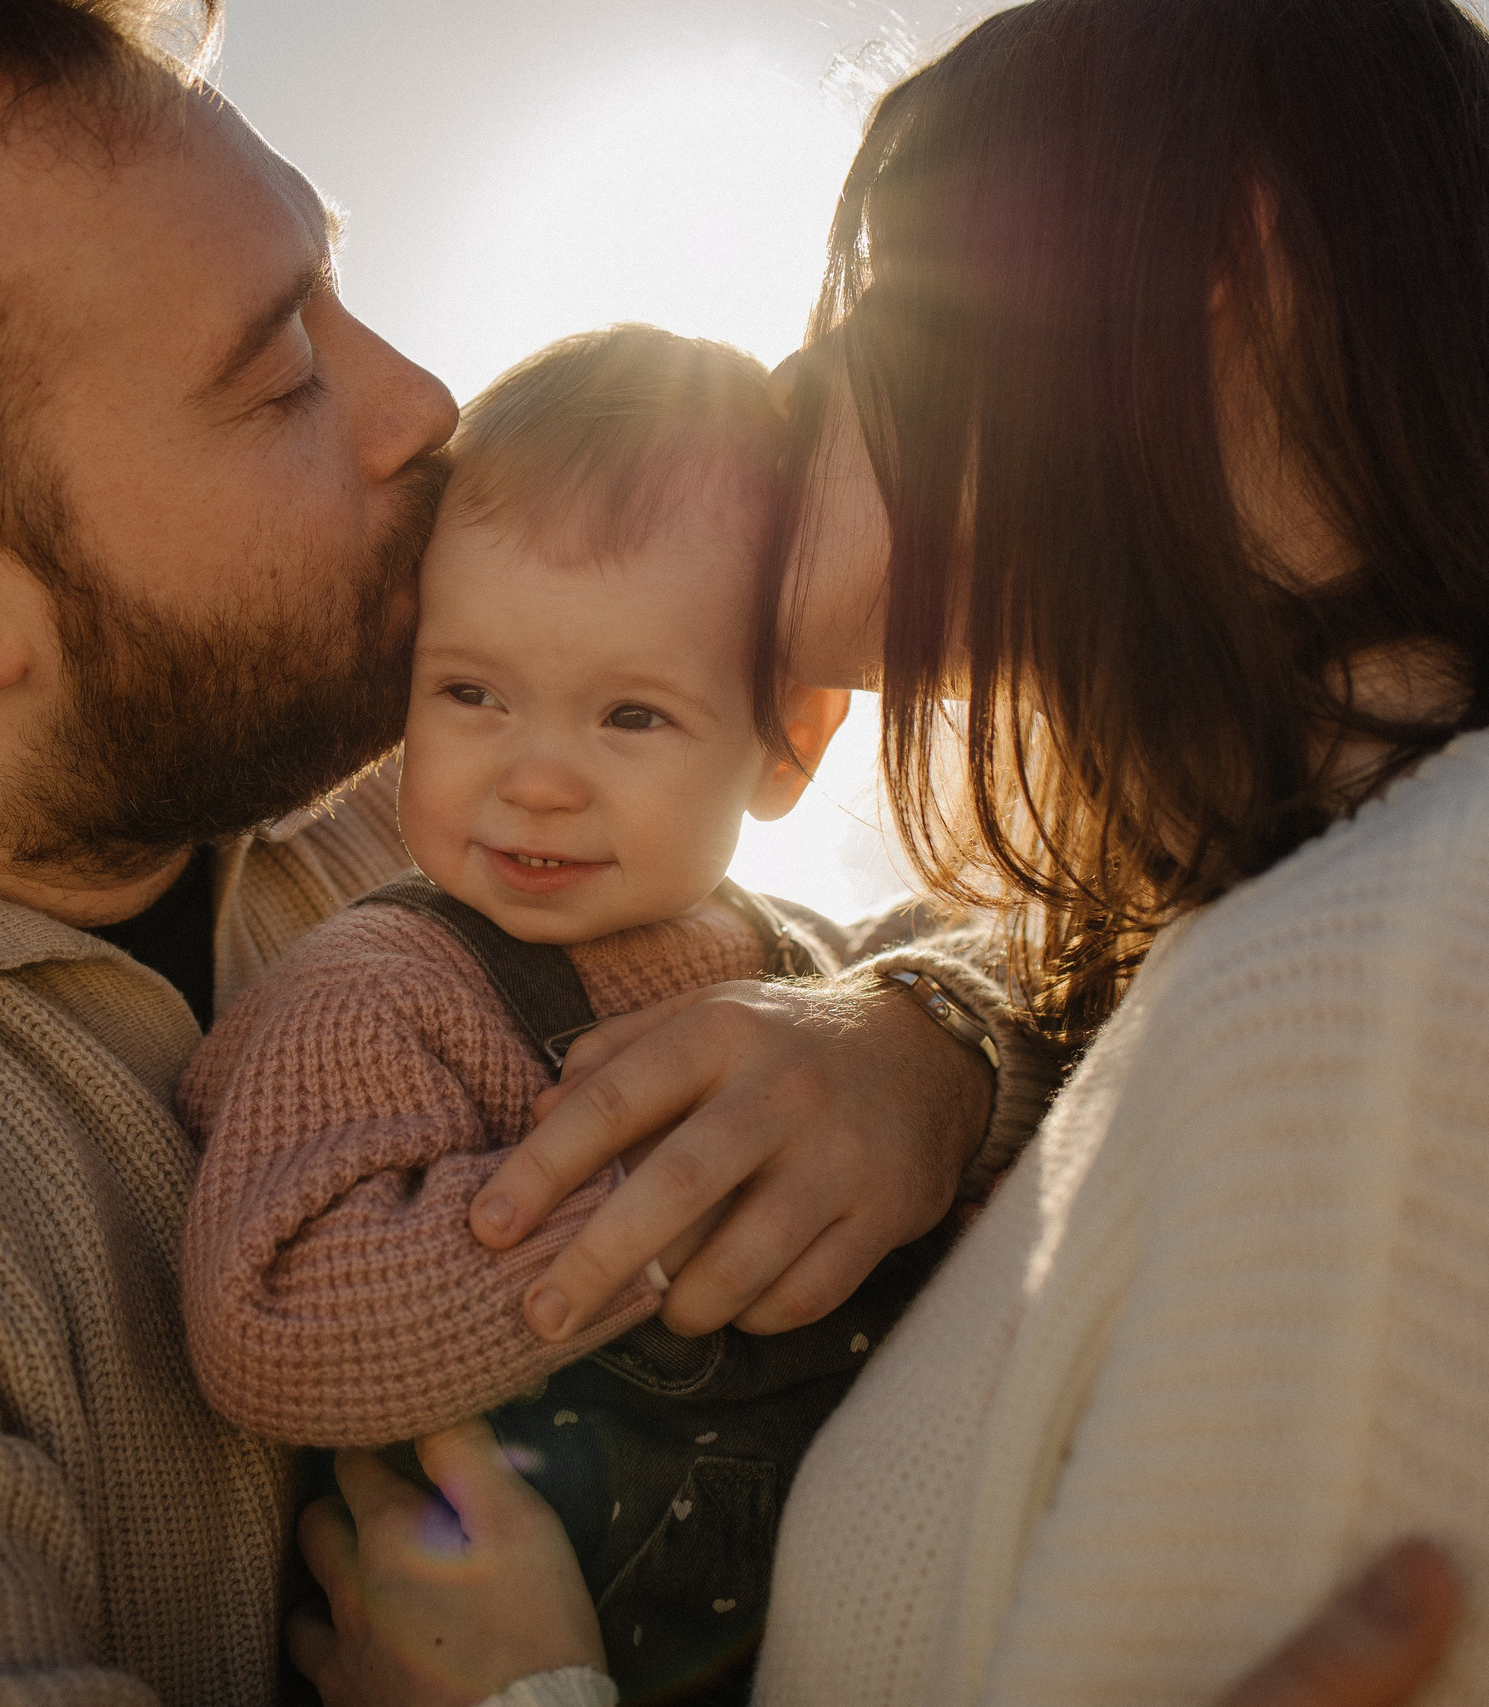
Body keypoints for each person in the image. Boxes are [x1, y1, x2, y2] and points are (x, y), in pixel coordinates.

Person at [0, 3, 1042, 1701]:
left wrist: (923, 1039)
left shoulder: (395, 775)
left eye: (336, 286)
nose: (419, 400)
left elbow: (944, 956)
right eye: (283, 371)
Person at [288, 1, 1489, 1704]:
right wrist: (929, 1034)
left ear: (1232, 260)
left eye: (862, 305)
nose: (791, 384)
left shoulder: (1426, 991)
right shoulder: (1361, 917)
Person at [181, 325, 1061, 1705]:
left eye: (631, 716)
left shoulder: (814, 970)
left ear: (787, 740)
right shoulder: (380, 986)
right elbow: (276, 1318)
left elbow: (1043, 991)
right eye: (473, 694)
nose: (535, 778)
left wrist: (935, 1046)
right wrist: (688, 1193)